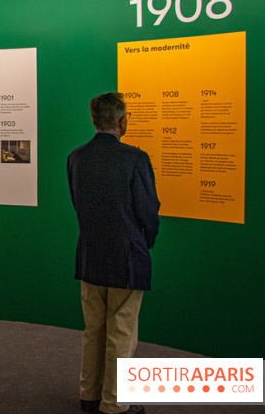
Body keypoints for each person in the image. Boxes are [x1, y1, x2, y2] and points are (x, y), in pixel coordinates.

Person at [67, 92, 161, 414]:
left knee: (93, 330)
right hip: (126, 257)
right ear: (122, 121)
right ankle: (115, 404)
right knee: (121, 332)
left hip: (90, 255)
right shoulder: (135, 159)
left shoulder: (76, 157)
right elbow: (148, 211)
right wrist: (145, 240)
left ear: (94, 119)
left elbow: (78, 203)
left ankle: (89, 395)